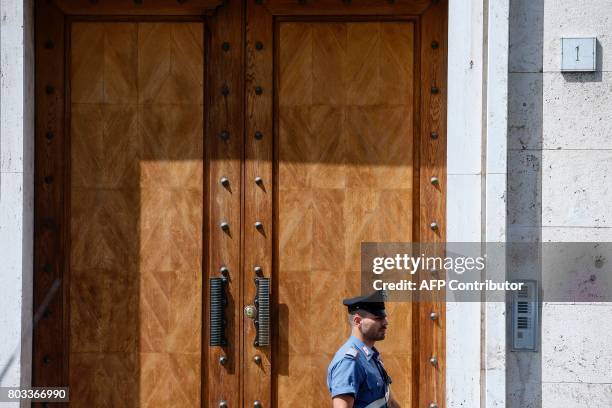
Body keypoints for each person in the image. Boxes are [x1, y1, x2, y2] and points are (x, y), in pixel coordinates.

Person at [327, 291, 399, 408]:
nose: (386, 323)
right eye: (378, 318)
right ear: (357, 321)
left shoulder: (371, 356)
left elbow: (387, 400)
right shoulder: (349, 362)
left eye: (384, 317)